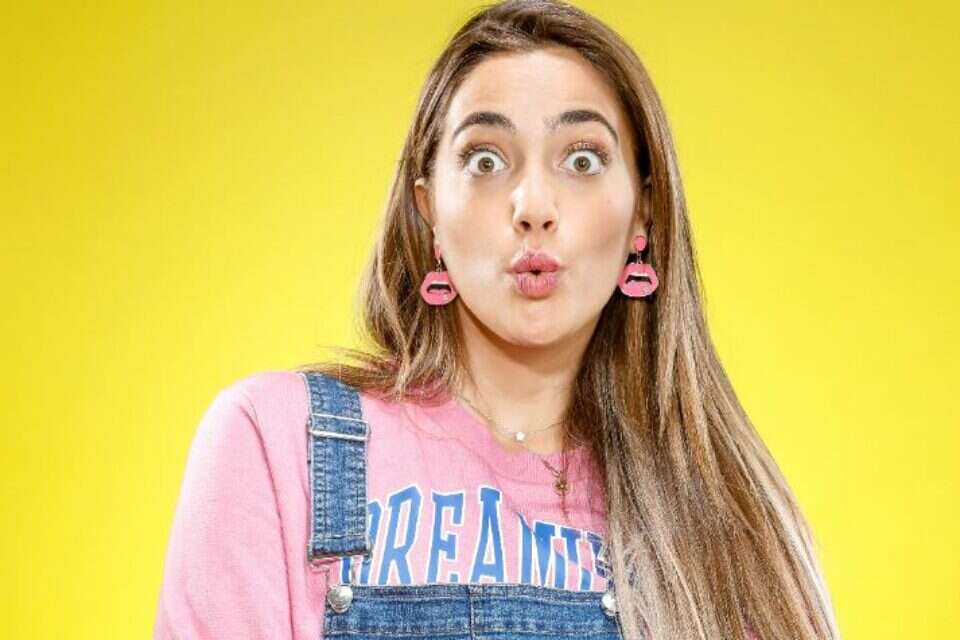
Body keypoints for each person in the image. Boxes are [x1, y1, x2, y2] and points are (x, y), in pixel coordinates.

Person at [153, 1, 841, 639]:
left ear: (644, 213)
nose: (533, 205)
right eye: (485, 160)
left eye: (582, 159)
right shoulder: (281, 444)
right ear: (428, 210)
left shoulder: (730, 518)